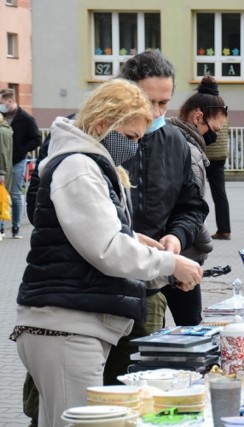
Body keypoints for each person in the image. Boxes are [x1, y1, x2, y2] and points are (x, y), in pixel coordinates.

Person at [11, 78, 204, 427]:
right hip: (68, 327)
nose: (134, 147)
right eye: (130, 137)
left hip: (70, 326)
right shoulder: (78, 166)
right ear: (103, 125)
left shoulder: (85, 163)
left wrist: (137, 241)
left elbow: (100, 238)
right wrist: (170, 263)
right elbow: (107, 250)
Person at [103, 50, 210, 384]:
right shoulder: (93, 134)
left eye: (165, 103)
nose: (156, 112)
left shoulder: (175, 141)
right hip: (93, 293)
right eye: (149, 101)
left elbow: (191, 207)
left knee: (137, 387)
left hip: (149, 289)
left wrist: (176, 236)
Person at [165, 75, 229, 324]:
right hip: (181, 253)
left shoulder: (173, 138)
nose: (214, 136)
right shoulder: (190, 152)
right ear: (197, 117)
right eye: (213, 130)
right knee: (190, 328)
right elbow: (191, 209)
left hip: (173, 249)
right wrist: (202, 246)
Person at [0, 89, 42, 238]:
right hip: (2, 162)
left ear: (9, 101)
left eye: (1, 102)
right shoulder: (2, 117)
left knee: (15, 195)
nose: (0, 105)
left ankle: (16, 227)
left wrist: (20, 151)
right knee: (1, 194)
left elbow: (36, 139)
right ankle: (1, 228)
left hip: (17, 161)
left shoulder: (25, 119)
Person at [202, 85, 232, 240]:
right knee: (220, 194)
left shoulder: (205, 110)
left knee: (196, 193)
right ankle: (224, 229)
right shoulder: (223, 110)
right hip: (220, 156)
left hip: (206, 155)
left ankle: (196, 230)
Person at [0, 112, 12, 238]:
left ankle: (1, 229)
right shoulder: (7, 130)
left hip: (2, 170)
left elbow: (2, 153)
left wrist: (2, 171)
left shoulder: (2, 132)